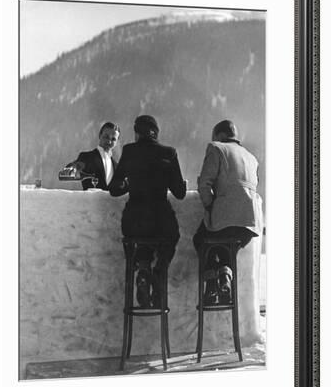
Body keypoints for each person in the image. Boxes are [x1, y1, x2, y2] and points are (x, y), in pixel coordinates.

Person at [109, 115, 186, 308]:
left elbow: (114, 189)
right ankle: (158, 275)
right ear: (156, 134)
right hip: (161, 219)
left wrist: (129, 183)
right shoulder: (169, 153)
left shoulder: (129, 151)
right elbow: (180, 193)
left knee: (141, 240)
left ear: (136, 133)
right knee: (170, 237)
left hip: (134, 220)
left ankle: (143, 270)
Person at [193, 119, 263, 305]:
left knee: (201, 240)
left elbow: (204, 184)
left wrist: (209, 206)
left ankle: (211, 286)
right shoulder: (251, 157)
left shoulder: (216, 148)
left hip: (225, 217)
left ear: (219, 135)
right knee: (225, 249)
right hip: (250, 223)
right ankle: (225, 277)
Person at [66, 122, 120, 190]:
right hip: (90, 200)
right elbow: (67, 174)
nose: (109, 141)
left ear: (117, 142)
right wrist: (74, 169)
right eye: (106, 137)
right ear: (100, 135)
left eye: (113, 139)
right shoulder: (86, 157)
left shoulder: (117, 166)